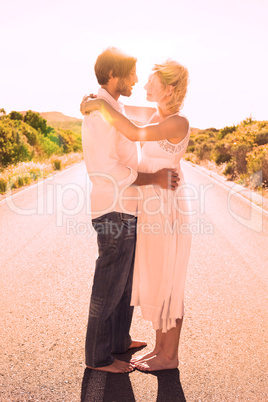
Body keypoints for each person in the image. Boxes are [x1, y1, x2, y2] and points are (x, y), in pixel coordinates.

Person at [81, 58, 192, 372]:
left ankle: (169, 356)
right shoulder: (158, 114)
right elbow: (123, 119)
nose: (143, 85)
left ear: (168, 88)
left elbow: (131, 130)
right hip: (149, 207)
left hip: (167, 207)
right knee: (159, 279)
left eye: (152, 83)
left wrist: (98, 104)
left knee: (170, 281)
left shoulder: (177, 121)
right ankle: (160, 350)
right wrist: (96, 102)